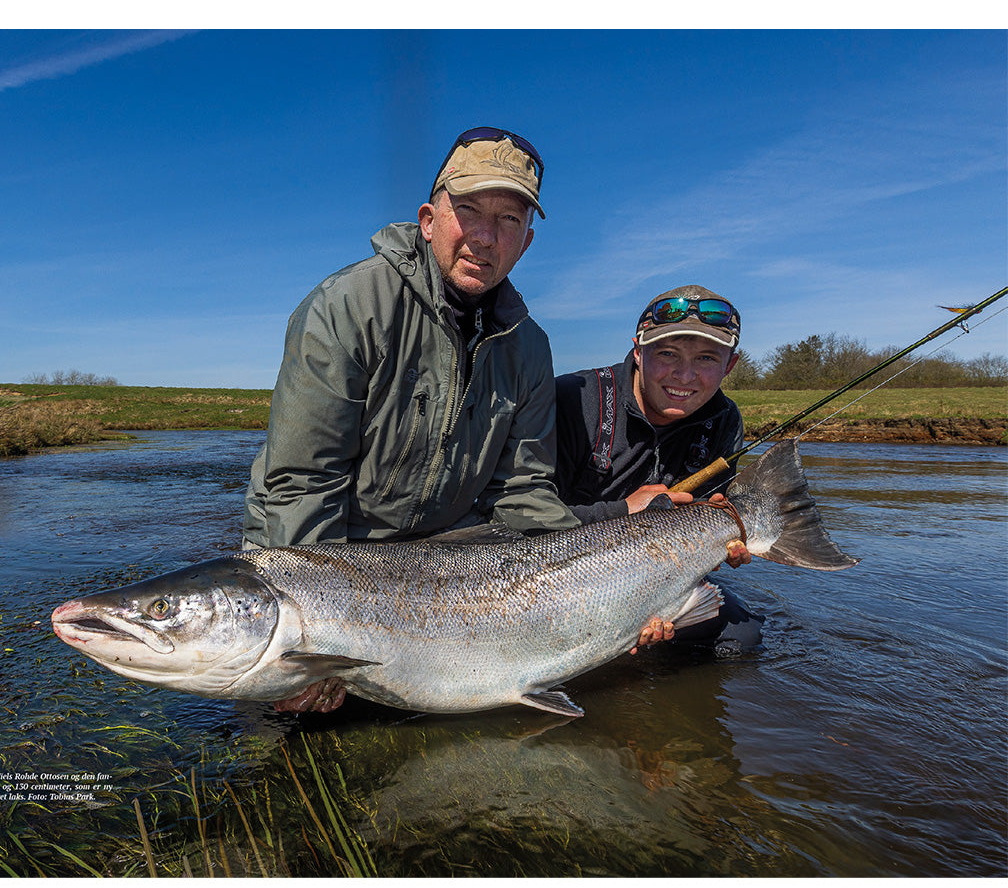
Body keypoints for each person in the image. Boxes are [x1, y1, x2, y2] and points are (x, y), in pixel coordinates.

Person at [243, 128, 669, 713]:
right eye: (466, 210)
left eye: (509, 220)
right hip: (307, 565)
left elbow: (521, 494)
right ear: (427, 217)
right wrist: (312, 640)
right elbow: (303, 484)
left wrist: (614, 585)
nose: (484, 237)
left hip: (441, 571)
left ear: (528, 241)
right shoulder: (347, 307)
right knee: (285, 735)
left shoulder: (530, 348)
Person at [554, 285, 761, 650]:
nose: (684, 375)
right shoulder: (571, 400)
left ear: (730, 365)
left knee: (741, 638)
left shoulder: (725, 421)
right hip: (554, 582)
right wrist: (623, 511)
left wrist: (719, 547)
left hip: (658, 576)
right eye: (667, 353)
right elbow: (518, 523)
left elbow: (704, 518)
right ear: (638, 351)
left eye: (707, 359)